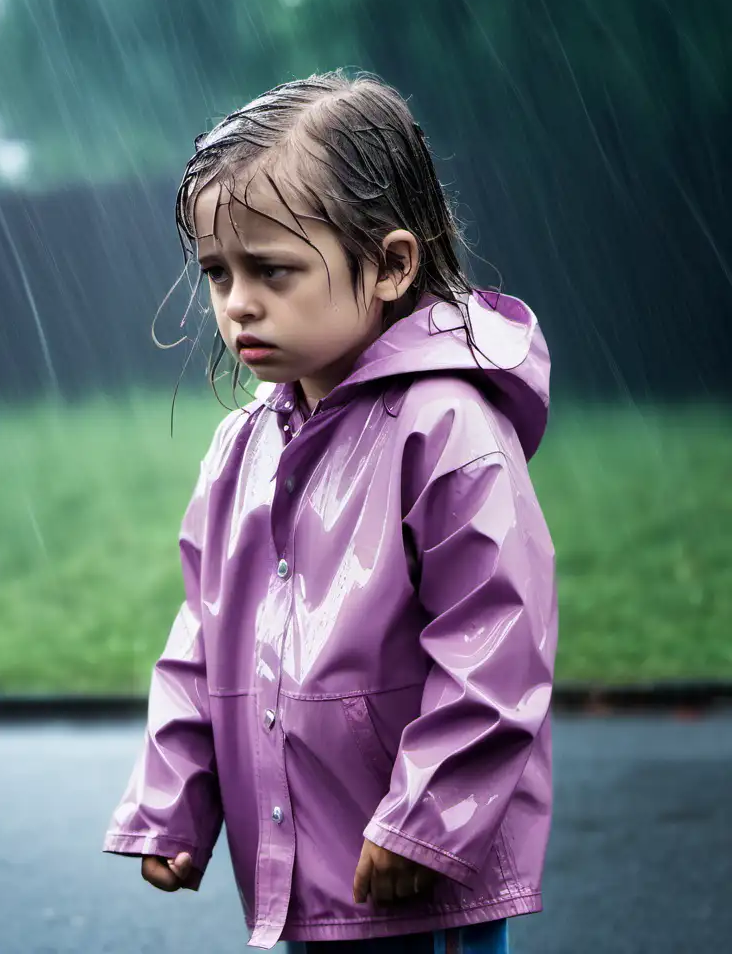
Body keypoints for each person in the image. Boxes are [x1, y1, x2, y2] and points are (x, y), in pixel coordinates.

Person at [102, 69, 557, 953]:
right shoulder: (243, 447)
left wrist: (426, 819)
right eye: (217, 272)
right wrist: (174, 798)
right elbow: (204, 636)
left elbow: (495, 649)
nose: (238, 302)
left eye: (272, 269)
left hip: (421, 879)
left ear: (391, 264)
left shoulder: (448, 429)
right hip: (303, 869)